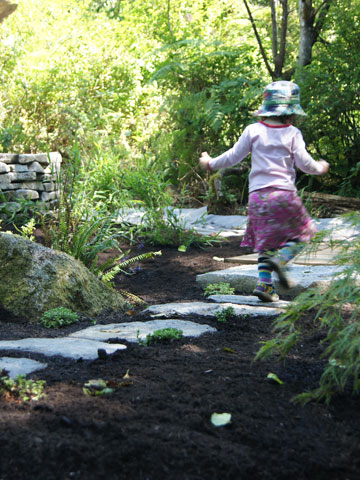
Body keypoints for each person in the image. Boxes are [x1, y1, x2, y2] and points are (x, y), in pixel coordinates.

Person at [199, 80, 329, 302]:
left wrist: (211, 163)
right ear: (290, 111)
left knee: (266, 242)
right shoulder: (292, 133)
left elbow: (233, 156)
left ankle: (265, 285)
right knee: (306, 233)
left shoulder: (253, 130)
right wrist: (320, 167)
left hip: (258, 197)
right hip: (284, 195)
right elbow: (305, 164)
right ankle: (281, 261)